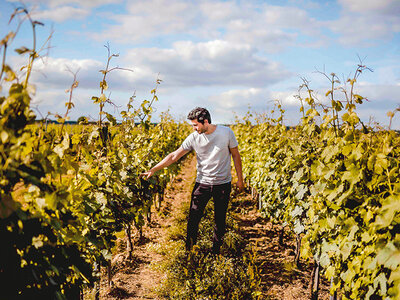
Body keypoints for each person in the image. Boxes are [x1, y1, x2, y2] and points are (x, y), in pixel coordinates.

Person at [141, 107, 244, 254]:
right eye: (192, 125)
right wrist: (154, 169)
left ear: (206, 121)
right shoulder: (194, 137)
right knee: (193, 219)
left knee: (220, 220)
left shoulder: (226, 133)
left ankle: (216, 253)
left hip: (223, 184)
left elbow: (236, 156)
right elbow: (174, 156)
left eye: (195, 125)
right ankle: (189, 252)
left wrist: (240, 180)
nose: (194, 128)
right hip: (202, 183)